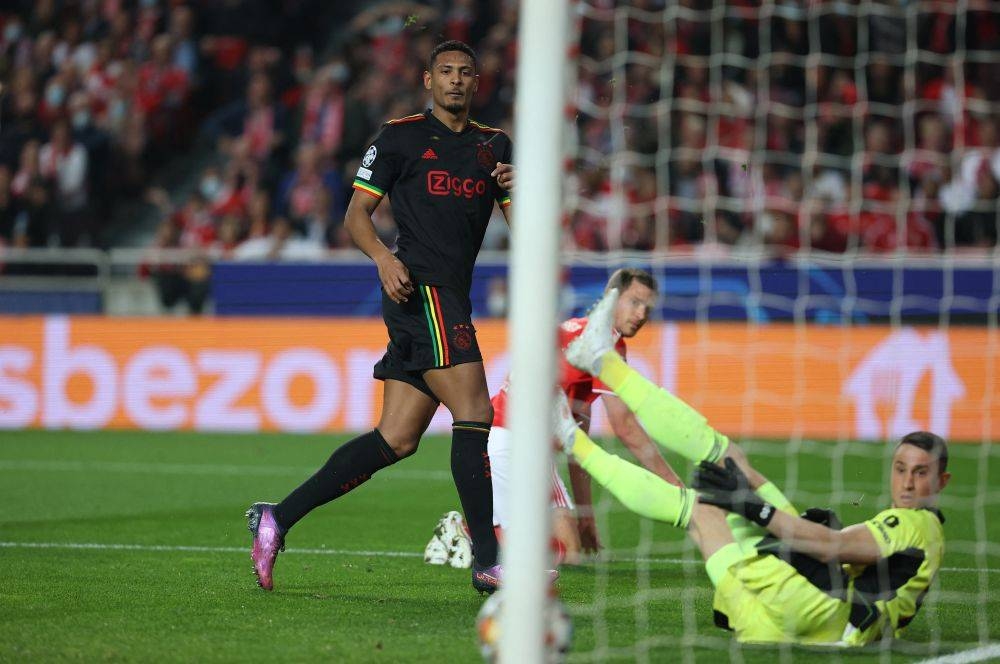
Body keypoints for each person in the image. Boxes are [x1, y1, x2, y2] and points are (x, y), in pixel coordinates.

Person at [246, 40, 520, 594]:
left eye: (465, 72)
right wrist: (383, 258)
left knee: (395, 439)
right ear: (428, 80)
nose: (456, 80)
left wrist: (523, 194)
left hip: (452, 295)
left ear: (476, 81)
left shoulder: (493, 145)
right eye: (446, 71)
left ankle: (277, 517)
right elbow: (356, 216)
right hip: (418, 288)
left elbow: (526, 232)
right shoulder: (399, 137)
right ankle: (489, 561)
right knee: (474, 410)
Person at [552, 288, 948, 645]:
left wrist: (757, 510)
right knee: (702, 510)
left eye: (920, 472)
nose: (907, 483)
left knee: (728, 460)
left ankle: (599, 367)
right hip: (771, 627)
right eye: (900, 469)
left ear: (942, 481)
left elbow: (832, 546)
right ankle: (572, 434)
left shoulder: (916, 524)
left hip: (815, 608)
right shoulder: (919, 537)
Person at [488, 268, 682, 565]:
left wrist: (586, 514)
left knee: (568, 550)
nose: (642, 314)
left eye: (648, 307)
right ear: (611, 298)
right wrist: (675, 486)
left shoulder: (585, 332)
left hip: (512, 441)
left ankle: (483, 532)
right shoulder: (602, 344)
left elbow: (579, 438)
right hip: (513, 438)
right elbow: (625, 426)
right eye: (635, 302)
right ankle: (474, 536)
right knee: (558, 555)